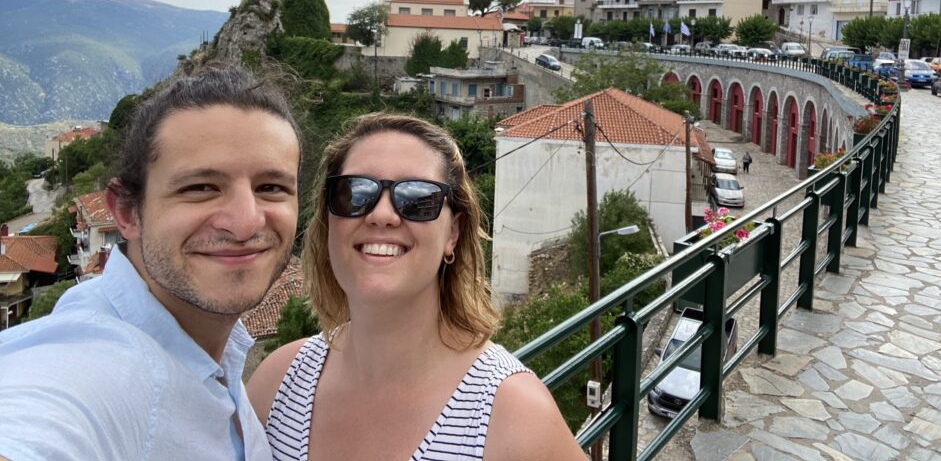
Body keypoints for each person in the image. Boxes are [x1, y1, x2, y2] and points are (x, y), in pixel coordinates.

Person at [0, 66, 302, 461]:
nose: (246, 222)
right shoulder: (96, 369)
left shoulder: (213, 352)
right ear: (126, 212)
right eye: (200, 188)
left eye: (271, 187)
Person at [248, 113, 585, 461]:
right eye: (356, 193)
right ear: (329, 220)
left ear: (452, 234)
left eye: (416, 199)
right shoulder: (278, 384)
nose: (382, 214)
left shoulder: (514, 417)